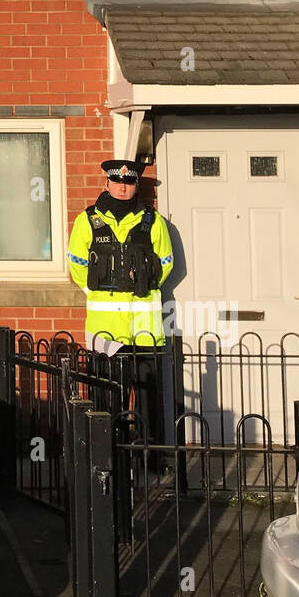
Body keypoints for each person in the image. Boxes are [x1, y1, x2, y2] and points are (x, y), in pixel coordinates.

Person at [68, 159, 175, 448]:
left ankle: (149, 456)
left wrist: (139, 286)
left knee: (148, 400)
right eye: (117, 181)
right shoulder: (87, 220)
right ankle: (110, 455)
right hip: (105, 329)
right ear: (107, 183)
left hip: (145, 330)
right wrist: (97, 293)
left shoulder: (152, 221)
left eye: (128, 183)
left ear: (136, 185)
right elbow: (77, 265)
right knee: (106, 399)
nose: (122, 187)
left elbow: (165, 263)